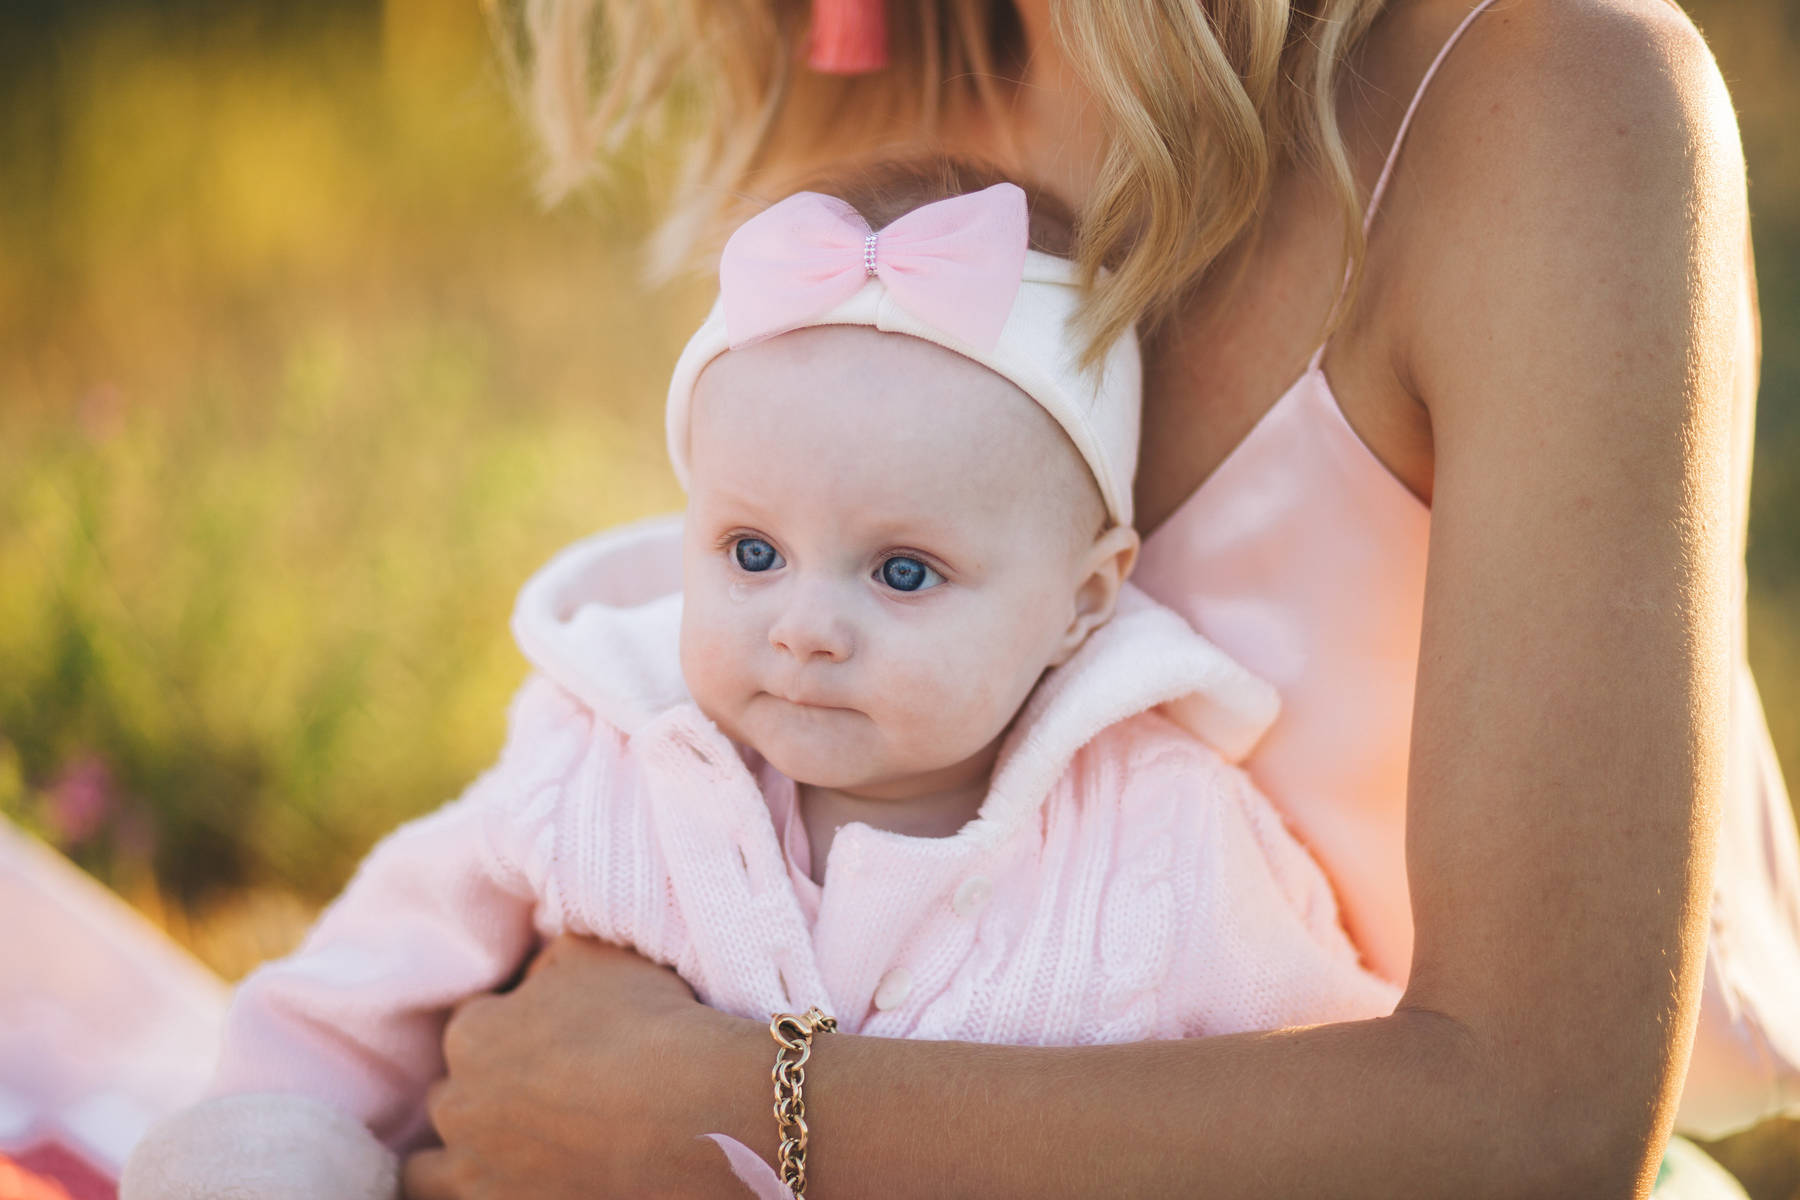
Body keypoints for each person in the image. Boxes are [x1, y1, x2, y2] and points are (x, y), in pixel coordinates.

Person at [394, 1, 1800, 1197]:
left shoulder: (1545, 91)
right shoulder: (893, 82)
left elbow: (1541, 1123)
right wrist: (586, 1021)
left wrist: (734, 1110)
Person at [119, 165, 1408, 1200]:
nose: (804, 629)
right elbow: (351, 1009)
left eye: (902, 574)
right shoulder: (608, 764)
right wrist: (262, 1155)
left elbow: (1323, 1110)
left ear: (1082, 600)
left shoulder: (1167, 842)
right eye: (751, 554)